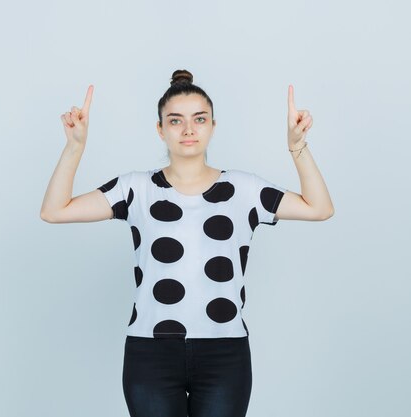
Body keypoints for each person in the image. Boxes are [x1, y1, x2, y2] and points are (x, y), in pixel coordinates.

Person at [40, 69, 334, 417]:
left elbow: (319, 208)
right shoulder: (135, 189)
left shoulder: (245, 190)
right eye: (176, 120)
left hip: (225, 354)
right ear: (160, 129)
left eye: (199, 119)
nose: (189, 129)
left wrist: (297, 146)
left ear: (212, 125)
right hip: (151, 353)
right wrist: (75, 147)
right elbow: (54, 210)